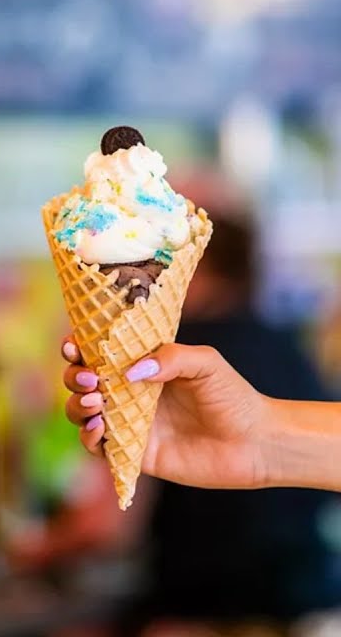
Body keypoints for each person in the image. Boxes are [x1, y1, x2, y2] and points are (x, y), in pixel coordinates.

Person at [63, 212, 341, 629]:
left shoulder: (168, 354)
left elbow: (108, 526)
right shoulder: (288, 345)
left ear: (193, 265)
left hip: (194, 611)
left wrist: (35, 549)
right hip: (309, 604)